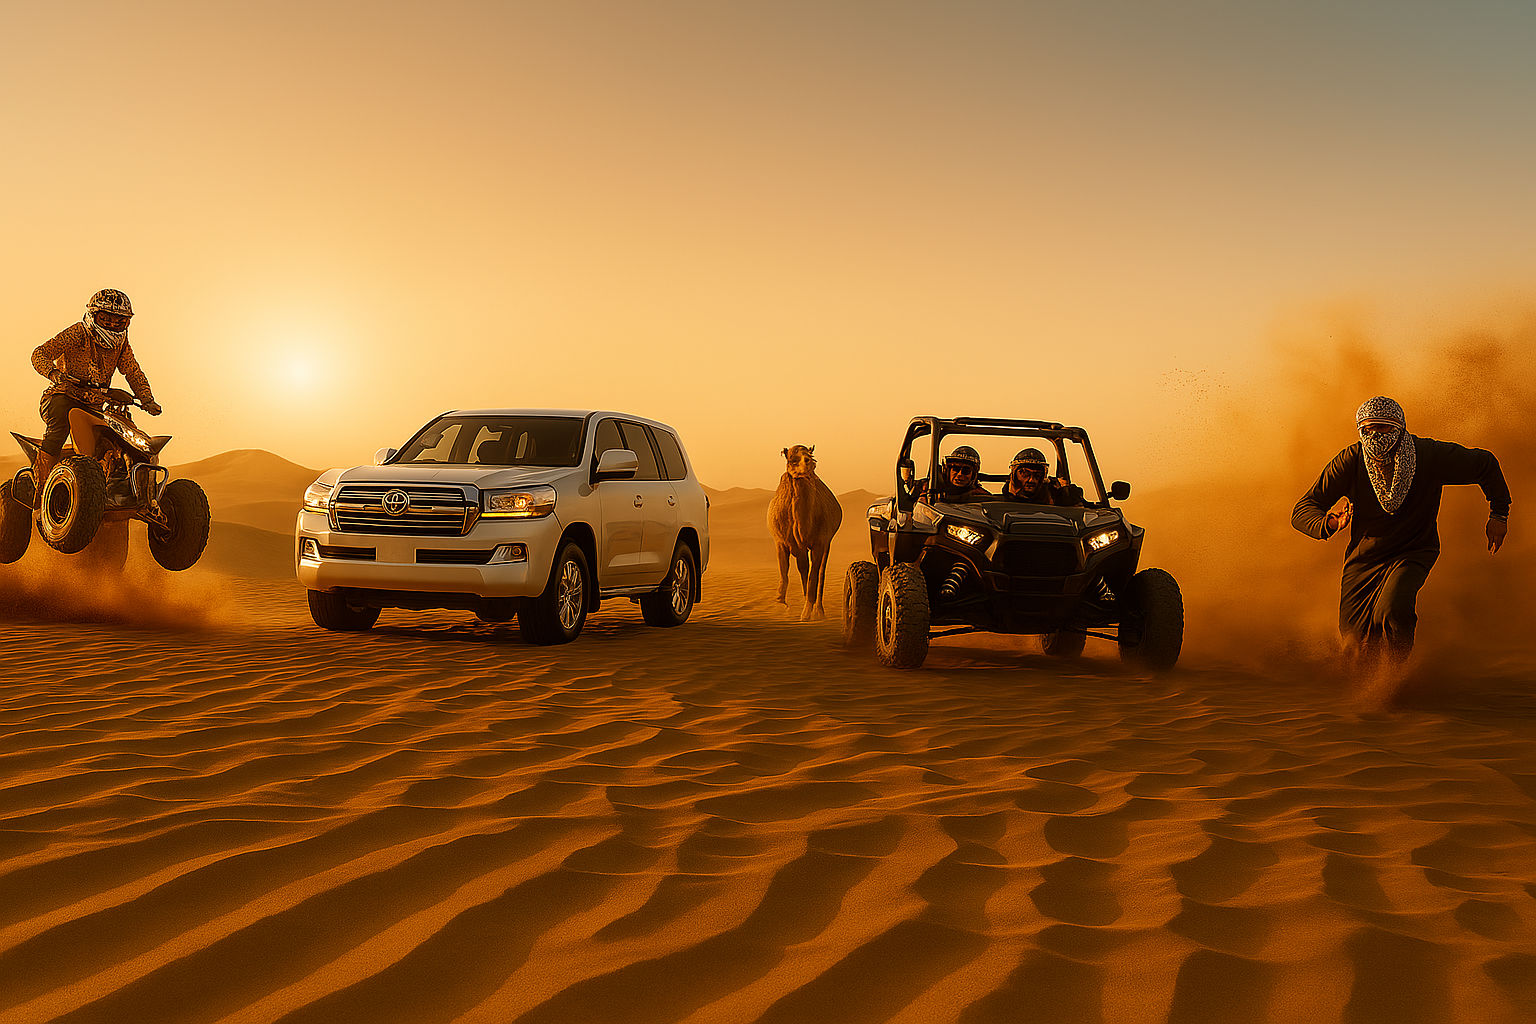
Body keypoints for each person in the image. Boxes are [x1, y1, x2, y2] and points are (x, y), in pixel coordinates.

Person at [1291, 395, 1510, 664]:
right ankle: (1361, 689)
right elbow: (1304, 507)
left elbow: (1485, 464)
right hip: (1364, 559)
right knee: (1352, 638)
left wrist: (1499, 514)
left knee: (1392, 610)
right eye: (1366, 429)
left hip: (1413, 550)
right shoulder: (1352, 458)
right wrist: (1329, 523)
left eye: (1382, 427)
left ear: (1399, 426)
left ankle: (1394, 677)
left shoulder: (1429, 455)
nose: (1374, 436)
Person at [29, 289, 160, 503]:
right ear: (94, 316)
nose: (112, 325)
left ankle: (130, 485)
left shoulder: (121, 344)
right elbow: (39, 354)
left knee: (123, 432)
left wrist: (147, 399)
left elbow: (133, 371)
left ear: (127, 322)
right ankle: (42, 489)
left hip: (97, 404)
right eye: (106, 319)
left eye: (119, 321)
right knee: (60, 424)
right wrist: (54, 373)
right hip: (63, 395)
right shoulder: (78, 332)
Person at [1002, 447, 1085, 506]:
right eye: (1025, 474)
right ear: (1014, 475)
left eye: (1037, 475)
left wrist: (1066, 491)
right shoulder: (997, 505)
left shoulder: (1053, 497)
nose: (1031, 480)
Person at [918, 445, 990, 501]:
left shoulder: (981, 495)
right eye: (956, 469)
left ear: (973, 475)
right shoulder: (929, 489)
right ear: (948, 471)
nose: (960, 474)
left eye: (966, 471)